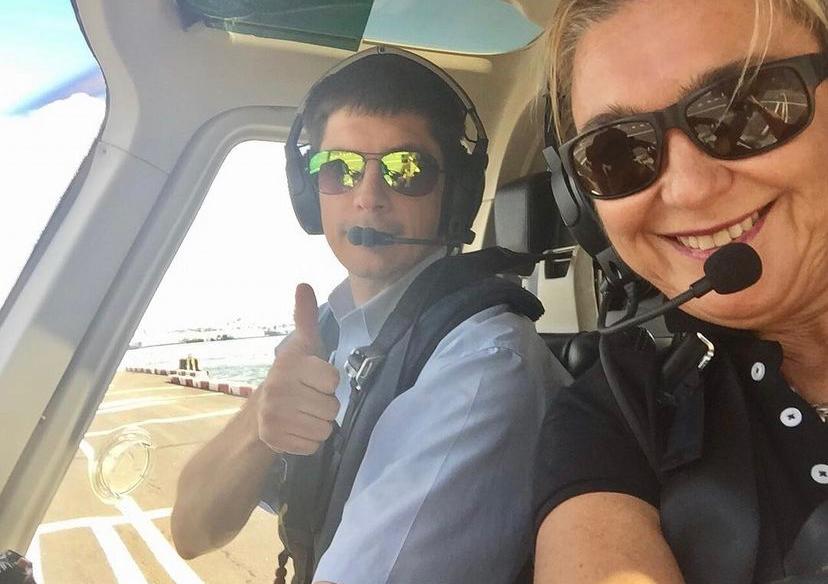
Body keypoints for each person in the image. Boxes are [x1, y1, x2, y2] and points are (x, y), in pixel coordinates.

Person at [170, 47, 567, 584]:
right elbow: (193, 533)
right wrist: (262, 417)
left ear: (456, 195)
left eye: (409, 169)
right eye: (340, 169)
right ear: (311, 193)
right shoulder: (326, 336)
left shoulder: (484, 364)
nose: (369, 197)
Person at [535, 1, 828, 583]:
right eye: (617, 152)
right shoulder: (615, 415)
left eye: (747, 106)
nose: (690, 188)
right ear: (582, 205)